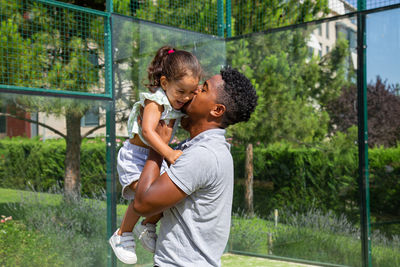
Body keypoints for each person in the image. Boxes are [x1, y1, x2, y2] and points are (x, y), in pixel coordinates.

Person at [132, 66, 258, 267]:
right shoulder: (201, 148)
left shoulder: (204, 155)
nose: (196, 88)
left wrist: (157, 144)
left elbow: (142, 204)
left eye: (205, 88)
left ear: (217, 110)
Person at [109, 46, 202, 265]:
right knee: (142, 195)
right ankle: (122, 234)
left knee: (166, 196)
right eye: (181, 91)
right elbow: (149, 132)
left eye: (192, 92)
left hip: (156, 157)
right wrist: (169, 153)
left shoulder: (176, 101)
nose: (186, 97)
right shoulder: (154, 101)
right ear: (164, 83)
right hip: (136, 156)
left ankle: (147, 225)